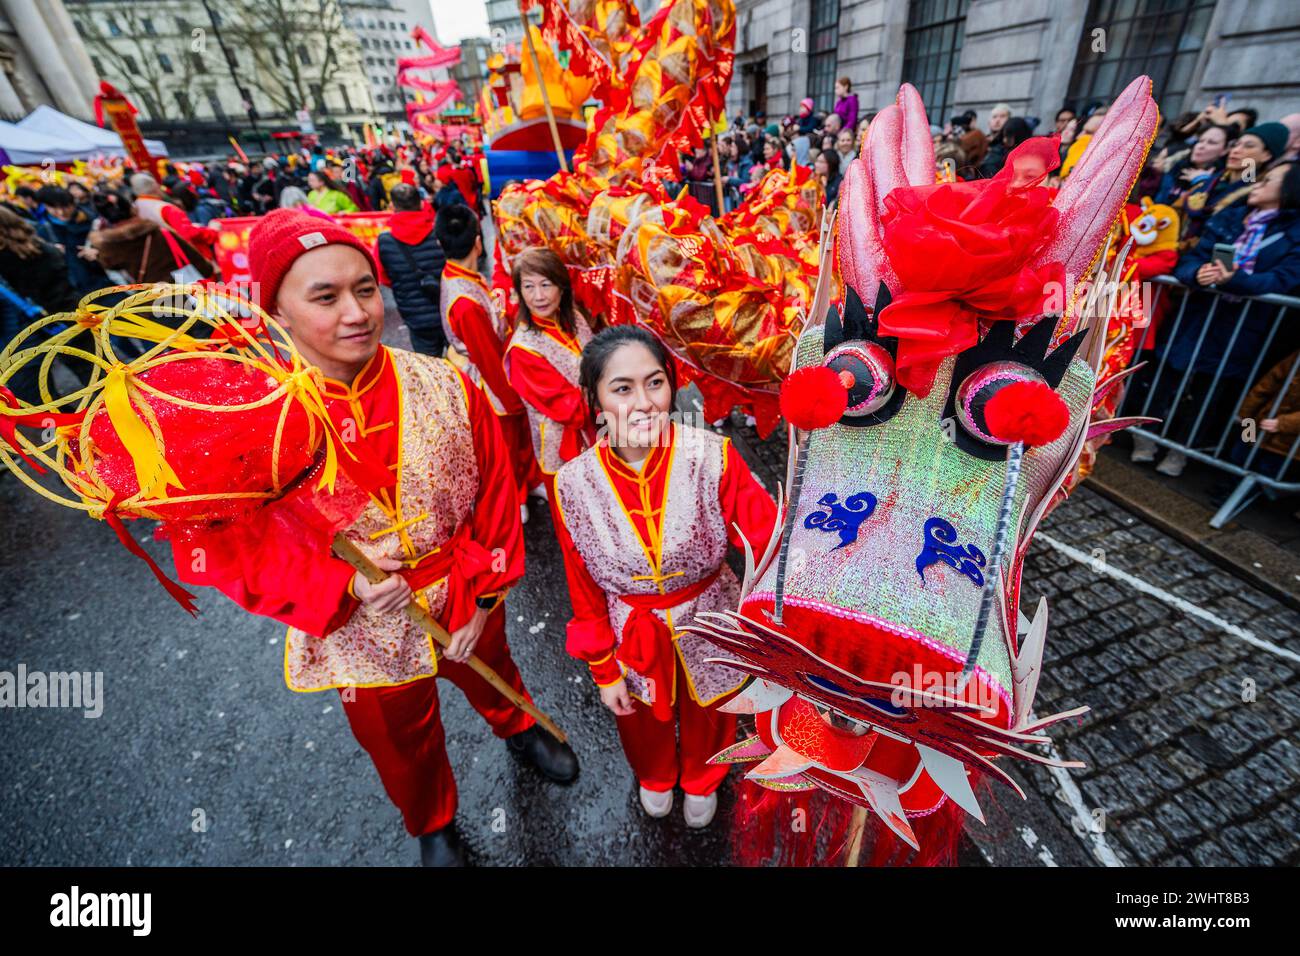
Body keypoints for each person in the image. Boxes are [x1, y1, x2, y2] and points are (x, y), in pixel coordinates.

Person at [174, 209, 579, 867]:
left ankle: (517, 724)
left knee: (493, 669)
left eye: (364, 288)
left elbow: (497, 494)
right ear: (276, 307)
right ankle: (433, 819)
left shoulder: (444, 383)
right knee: (398, 738)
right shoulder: (254, 428)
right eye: (325, 297)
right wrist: (345, 582)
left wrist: (483, 596)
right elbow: (234, 549)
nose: (357, 312)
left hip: (463, 584)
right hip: (359, 625)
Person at [554, 326, 776, 826]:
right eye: (623, 388)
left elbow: (766, 539)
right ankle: (654, 775)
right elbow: (583, 585)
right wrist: (602, 665)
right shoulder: (572, 484)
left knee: (714, 709)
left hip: (710, 610)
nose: (644, 403)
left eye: (655, 383)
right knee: (637, 714)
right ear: (595, 399)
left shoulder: (711, 456)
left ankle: (703, 777)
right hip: (632, 624)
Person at [1152, 161, 1300, 477]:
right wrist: (1197, 273)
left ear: (1290, 189)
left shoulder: (1293, 234)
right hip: (1196, 316)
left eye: (1269, 179)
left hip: (1243, 327)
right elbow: (1191, 258)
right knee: (1168, 377)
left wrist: (1235, 280)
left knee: (1210, 392)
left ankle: (1181, 450)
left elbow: (1283, 281)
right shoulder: (1230, 217)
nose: (1257, 183)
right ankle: (1144, 435)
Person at [436, 204, 540, 518]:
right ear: (478, 242)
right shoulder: (466, 304)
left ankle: (529, 483)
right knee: (506, 439)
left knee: (517, 435)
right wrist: (512, 395)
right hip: (487, 377)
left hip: (487, 363)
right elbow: (488, 358)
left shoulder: (459, 274)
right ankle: (516, 497)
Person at [503, 247, 595, 510]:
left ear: (562, 287)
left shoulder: (573, 318)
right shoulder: (524, 350)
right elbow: (570, 409)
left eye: (546, 284)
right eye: (529, 287)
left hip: (594, 430)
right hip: (563, 446)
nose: (539, 296)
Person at [374, 182, 448, 357]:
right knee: (462, 363)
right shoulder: (438, 231)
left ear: (392, 206)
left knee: (430, 367)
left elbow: (383, 278)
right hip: (446, 308)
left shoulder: (384, 241)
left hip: (415, 317)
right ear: (421, 203)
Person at [86, 189, 214, 285]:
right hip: (189, 300)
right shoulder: (159, 233)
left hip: (155, 305)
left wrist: (97, 253)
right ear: (131, 207)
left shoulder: (108, 247)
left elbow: (111, 268)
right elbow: (205, 268)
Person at [34, 185, 108, 297]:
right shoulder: (44, 232)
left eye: (65, 207)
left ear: (73, 203)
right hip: (76, 291)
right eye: (53, 208)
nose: (61, 212)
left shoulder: (93, 220)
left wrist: (99, 252)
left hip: (108, 283)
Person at [129, 172, 217, 266]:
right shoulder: (165, 208)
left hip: (164, 260)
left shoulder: (136, 206)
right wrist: (212, 231)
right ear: (155, 187)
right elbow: (188, 233)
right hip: (189, 258)